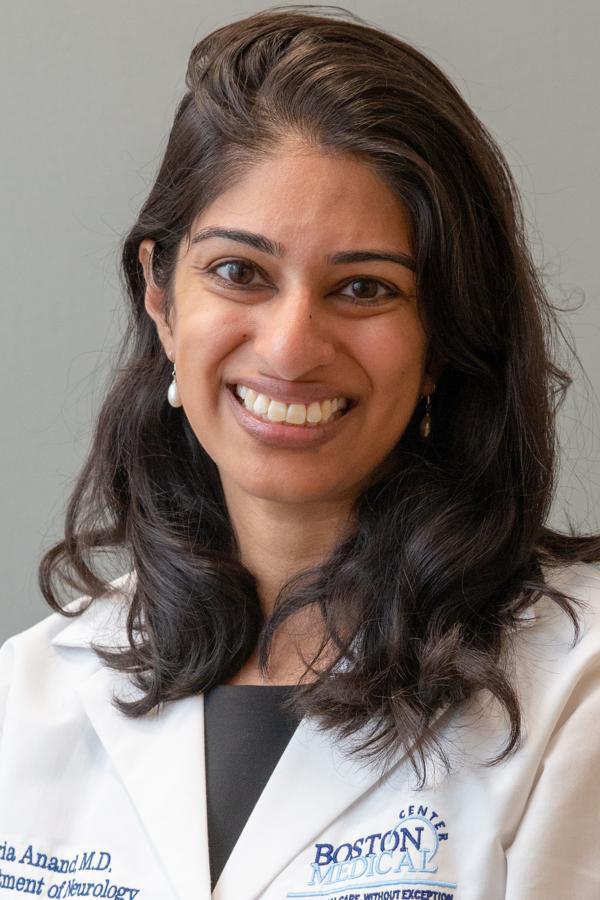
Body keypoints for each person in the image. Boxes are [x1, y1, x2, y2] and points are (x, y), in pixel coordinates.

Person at [1, 5, 599, 899]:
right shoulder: (25, 697)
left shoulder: (576, 683)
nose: (289, 347)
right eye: (240, 272)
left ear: (442, 336)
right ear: (160, 297)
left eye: (363, 287)